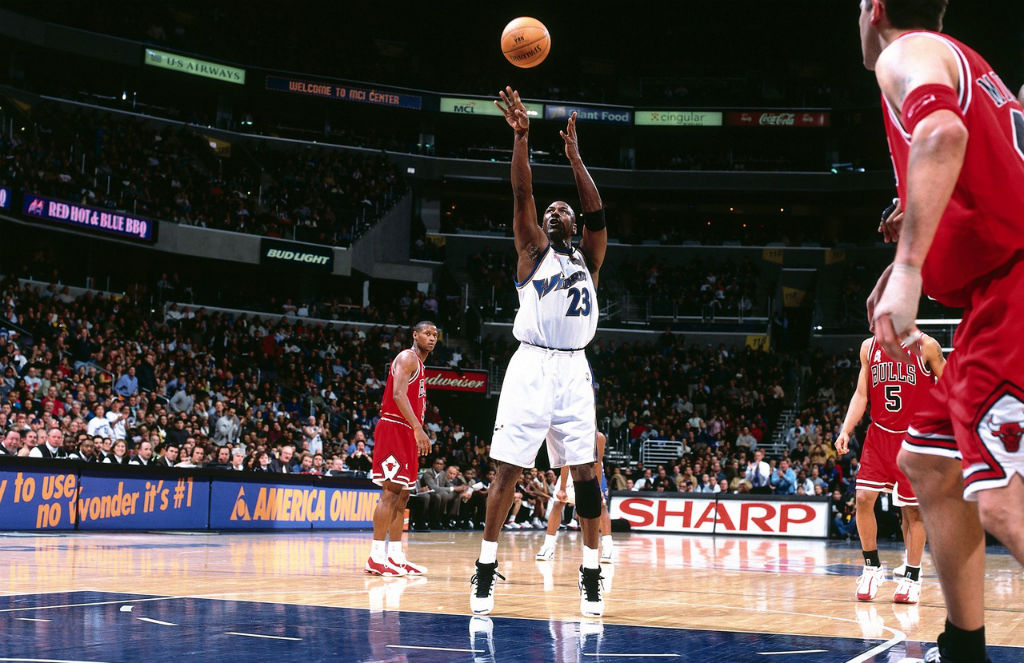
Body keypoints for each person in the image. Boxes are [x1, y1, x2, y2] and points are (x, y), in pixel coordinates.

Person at [859, 1, 1024, 660]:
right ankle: (963, 647)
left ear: (873, 9)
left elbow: (943, 138)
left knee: (1004, 504)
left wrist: (909, 270)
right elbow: (984, 174)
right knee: (929, 461)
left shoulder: (908, 54)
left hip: (1011, 290)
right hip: (996, 287)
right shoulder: (970, 68)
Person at [472, 87, 608, 618]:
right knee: (506, 471)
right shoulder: (532, 251)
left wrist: (576, 160)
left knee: (586, 477)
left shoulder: (590, 260)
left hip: (574, 371)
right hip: (530, 364)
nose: (552, 213)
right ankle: (484, 570)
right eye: (549, 212)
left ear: (572, 224)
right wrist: (523, 139)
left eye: (561, 211)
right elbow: (522, 195)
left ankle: (591, 575)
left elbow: (598, 215)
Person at [836, 335, 944, 604]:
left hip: (914, 440)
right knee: (862, 498)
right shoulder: (868, 347)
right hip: (879, 436)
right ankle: (872, 567)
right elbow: (862, 393)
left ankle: (912, 576)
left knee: (912, 511)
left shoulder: (926, 345)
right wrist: (846, 429)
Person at [364, 321, 438, 577]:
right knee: (390, 492)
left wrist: (415, 429)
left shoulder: (421, 364)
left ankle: (395, 556)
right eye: (427, 333)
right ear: (415, 335)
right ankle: (375, 557)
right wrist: (418, 428)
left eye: (435, 335)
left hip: (406, 430)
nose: (432, 338)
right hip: (395, 428)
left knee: (403, 496)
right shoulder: (407, 357)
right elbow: (397, 395)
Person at [536, 432, 615, 563]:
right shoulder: (570, 433)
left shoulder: (598, 437)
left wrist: (598, 489)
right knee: (557, 503)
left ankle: (608, 548)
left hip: (592, 472)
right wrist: (561, 488)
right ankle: (548, 546)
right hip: (571, 469)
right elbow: (565, 463)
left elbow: (597, 464)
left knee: (601, 505)